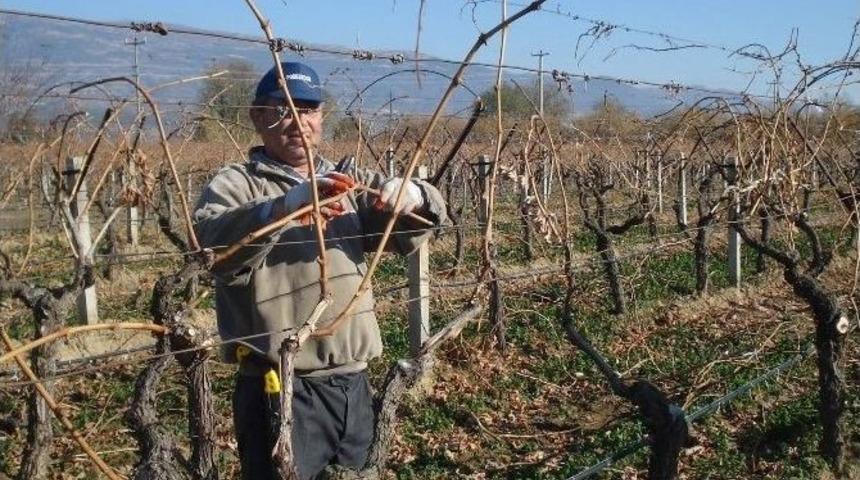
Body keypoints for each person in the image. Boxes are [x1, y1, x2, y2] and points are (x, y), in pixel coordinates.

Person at [192, 61, 447, 479]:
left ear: (322, 117)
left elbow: (414, 228)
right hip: (280, 389)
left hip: (353, 384)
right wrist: (286, 206)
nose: (298, 121)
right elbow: (215, 248)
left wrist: (417, 194)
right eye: (283, 108)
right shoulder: (236, 184)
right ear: (257, 116)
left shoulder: (347, 182)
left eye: (309, 109)